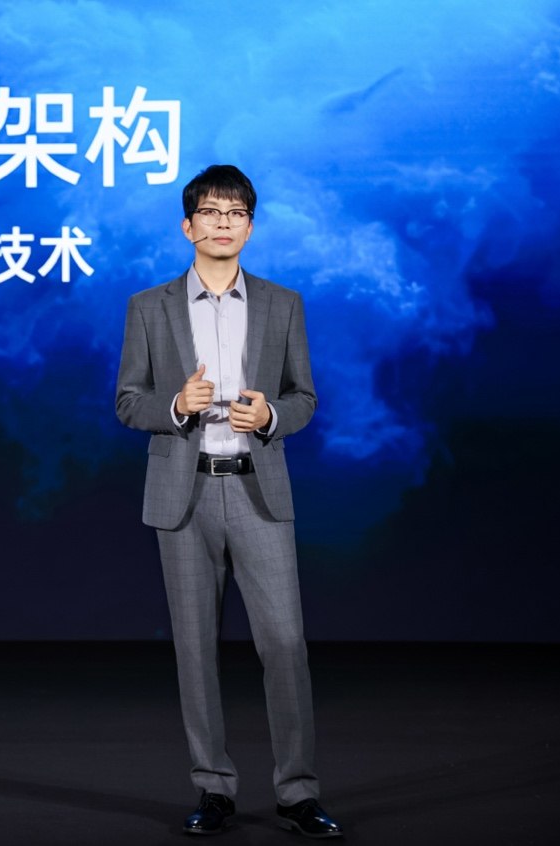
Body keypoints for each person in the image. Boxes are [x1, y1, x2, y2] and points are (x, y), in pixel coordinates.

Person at [115, 165, 344, 838]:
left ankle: (297, 792)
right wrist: (174, 406)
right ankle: (212, 787)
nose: (223, 223)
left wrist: (271, 415)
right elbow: (127, 402)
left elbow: (304, 397)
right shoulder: (148, 306)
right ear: (187, 226)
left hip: (255, 489)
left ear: (250, 226)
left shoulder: (282, 304)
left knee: (285, 644)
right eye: (211, 213)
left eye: (235, 212)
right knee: (195, 650)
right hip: (182, 495)